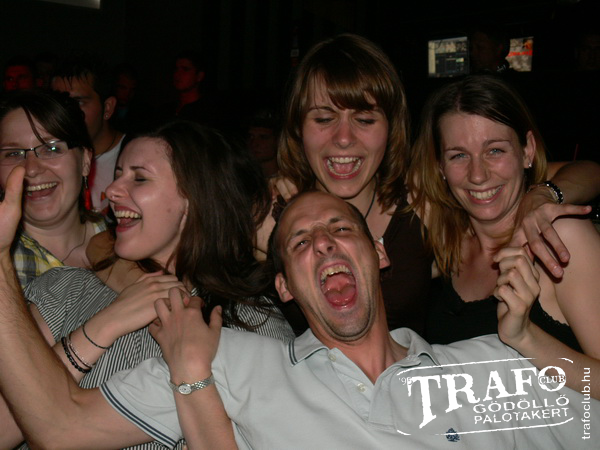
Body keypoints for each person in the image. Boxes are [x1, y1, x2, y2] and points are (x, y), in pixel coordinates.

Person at [0, 189, 596, 449]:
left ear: (378, 254)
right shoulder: (228, 361)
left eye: (340, 228)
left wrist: (528, 339)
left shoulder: (480, 366)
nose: (324, 244)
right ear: (283, 286)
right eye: (301, 242)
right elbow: (58, 427)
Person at [261, 33, 600, 335]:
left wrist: (543, 195)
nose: (344, 138)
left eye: (364, 119)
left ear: (391, 127)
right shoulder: (268, 219)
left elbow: (587, 171)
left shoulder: (421, 203)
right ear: (297, 126)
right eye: (323, 118)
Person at [1, 120, 294, 448]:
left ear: (196, 198)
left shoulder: (249, 324)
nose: (112, 191)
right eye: (117, 174)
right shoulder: (66, 288)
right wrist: (101, 328)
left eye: (139, 178)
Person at [406, 75, 600, 377]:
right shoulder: (445, 243)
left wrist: (526, 338)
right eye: (458, 155)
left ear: (527, 151)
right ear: (440, 166)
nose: (478, 175)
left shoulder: (563, 238)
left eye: (495, 150)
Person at [0, 90, 106, 287]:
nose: (32, 169)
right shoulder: (5, 258)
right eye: (13, 153)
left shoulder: (128, 242)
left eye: (51, 148)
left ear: (85, 160)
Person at [51, 55, 125, 214]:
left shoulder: (135, 158)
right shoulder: (47, 159)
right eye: (59, 104)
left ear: (107, 107)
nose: (67, 113)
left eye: (78, 103)